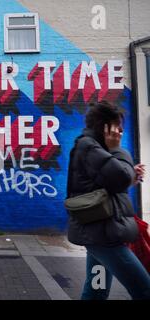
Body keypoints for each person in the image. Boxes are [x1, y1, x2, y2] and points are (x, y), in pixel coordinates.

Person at [66, 100, 150, 300]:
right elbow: (119, 177)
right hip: (104, 237)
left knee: (96, 291)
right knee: (144, 289)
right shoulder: (91, 147)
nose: (120, 130)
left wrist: (129, 174)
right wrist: (117, 150)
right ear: (105, 127)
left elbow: (110, 184)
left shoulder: (95, 148)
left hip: (98, 234)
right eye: (117, 125)